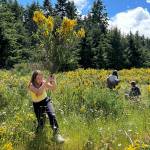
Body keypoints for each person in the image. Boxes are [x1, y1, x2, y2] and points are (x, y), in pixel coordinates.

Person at [28, 70, 65, 143]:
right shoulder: (31, 85)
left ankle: (56, 134)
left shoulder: (43, 82)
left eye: (41, 77)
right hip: (37, 105)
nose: (40, 79)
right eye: (38, 78)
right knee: (41, 123)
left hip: (46, 101)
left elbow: (53, 88)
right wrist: (46, 82)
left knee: (52, 115)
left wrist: (54, 80)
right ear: (34, 78)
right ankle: (37, 136)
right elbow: (38, 92)